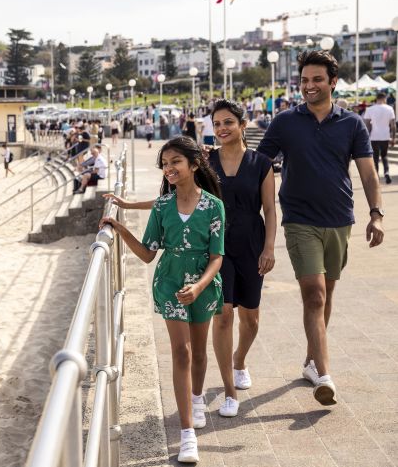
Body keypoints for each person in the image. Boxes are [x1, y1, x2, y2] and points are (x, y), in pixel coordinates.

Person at [257, 49, 384, 406]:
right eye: (304, 80)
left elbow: (368, 172)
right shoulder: (285, 122)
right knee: (314, 294)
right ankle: (324, 376)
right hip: (299, 219)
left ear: (332, 82)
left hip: (340, 218)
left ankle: (313, 361)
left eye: (316, 80)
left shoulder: (352, 124)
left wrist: (376, 213)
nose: (308, 86)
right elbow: (259, 161)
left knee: (325, 295)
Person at [100, 137, 225, 463]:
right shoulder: (162, 207)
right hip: (169, 283)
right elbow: (146, 254)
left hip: (203, 286)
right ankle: (187, 435)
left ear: (194, 164)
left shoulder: (214, 206)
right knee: (181, 352)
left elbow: (217, 258)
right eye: (164, 164)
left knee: (199, 352)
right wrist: (119, 227)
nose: (168, 169)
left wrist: (198, 287)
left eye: (175, 162)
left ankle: (196, 399)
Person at [208, 99, 277, 417]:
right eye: (216, 124)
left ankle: (239, 360)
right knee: (223, 315)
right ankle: (229, 391)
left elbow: (270, 209)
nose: (221, 129)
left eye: (227, 123)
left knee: (250, 318)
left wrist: (269, 247)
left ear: (242, 125)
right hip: (218, 247)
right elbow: (181, 197)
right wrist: (128, 207)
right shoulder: (205, 162)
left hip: (252, 244)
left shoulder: (261, 163)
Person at [363, 92, 396, 184]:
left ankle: (376, 176)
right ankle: (386, 172)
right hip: (385, 136)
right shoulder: (389, 108)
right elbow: (393, 126)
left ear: (376, 98)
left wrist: (367, 136)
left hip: (373, 136)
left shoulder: (370, 109)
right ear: (384, 98)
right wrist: (393, 138)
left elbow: (367, 124)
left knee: (375, 157)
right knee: (384, 155)